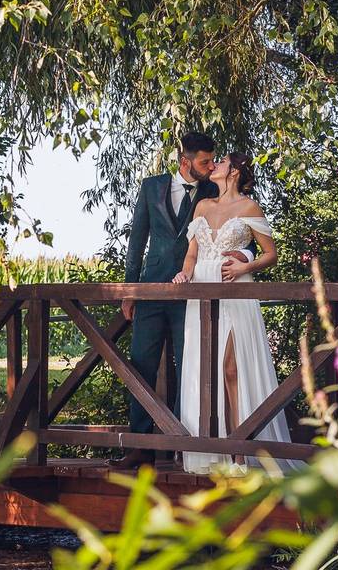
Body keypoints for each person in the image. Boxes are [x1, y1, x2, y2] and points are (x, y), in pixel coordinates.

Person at [109, 133, 253, 470]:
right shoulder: (151, 187)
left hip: (195, 291)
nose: (211, 166)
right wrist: (130, 289)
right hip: (151, 289)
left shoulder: (213, 191)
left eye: (213, 161)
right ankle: (140, 446)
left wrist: (243, 255)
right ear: (184, 161)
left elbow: (247, 234)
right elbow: (137, 240)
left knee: (191, 365)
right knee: (140, 363)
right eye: (204, 161)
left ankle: (180, 443)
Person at [173, 152, 301, 475]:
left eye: (222, 162)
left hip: (235, 291)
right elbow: (192, 254)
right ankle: (209, 451)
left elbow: (271, 254)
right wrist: (184, 274)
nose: (214, 165)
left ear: (235, 171)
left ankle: (239, 452)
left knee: (231, 368)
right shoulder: (202, 206)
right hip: (202, 291)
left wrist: (247, 264)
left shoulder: (249, 207)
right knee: (204, 370)